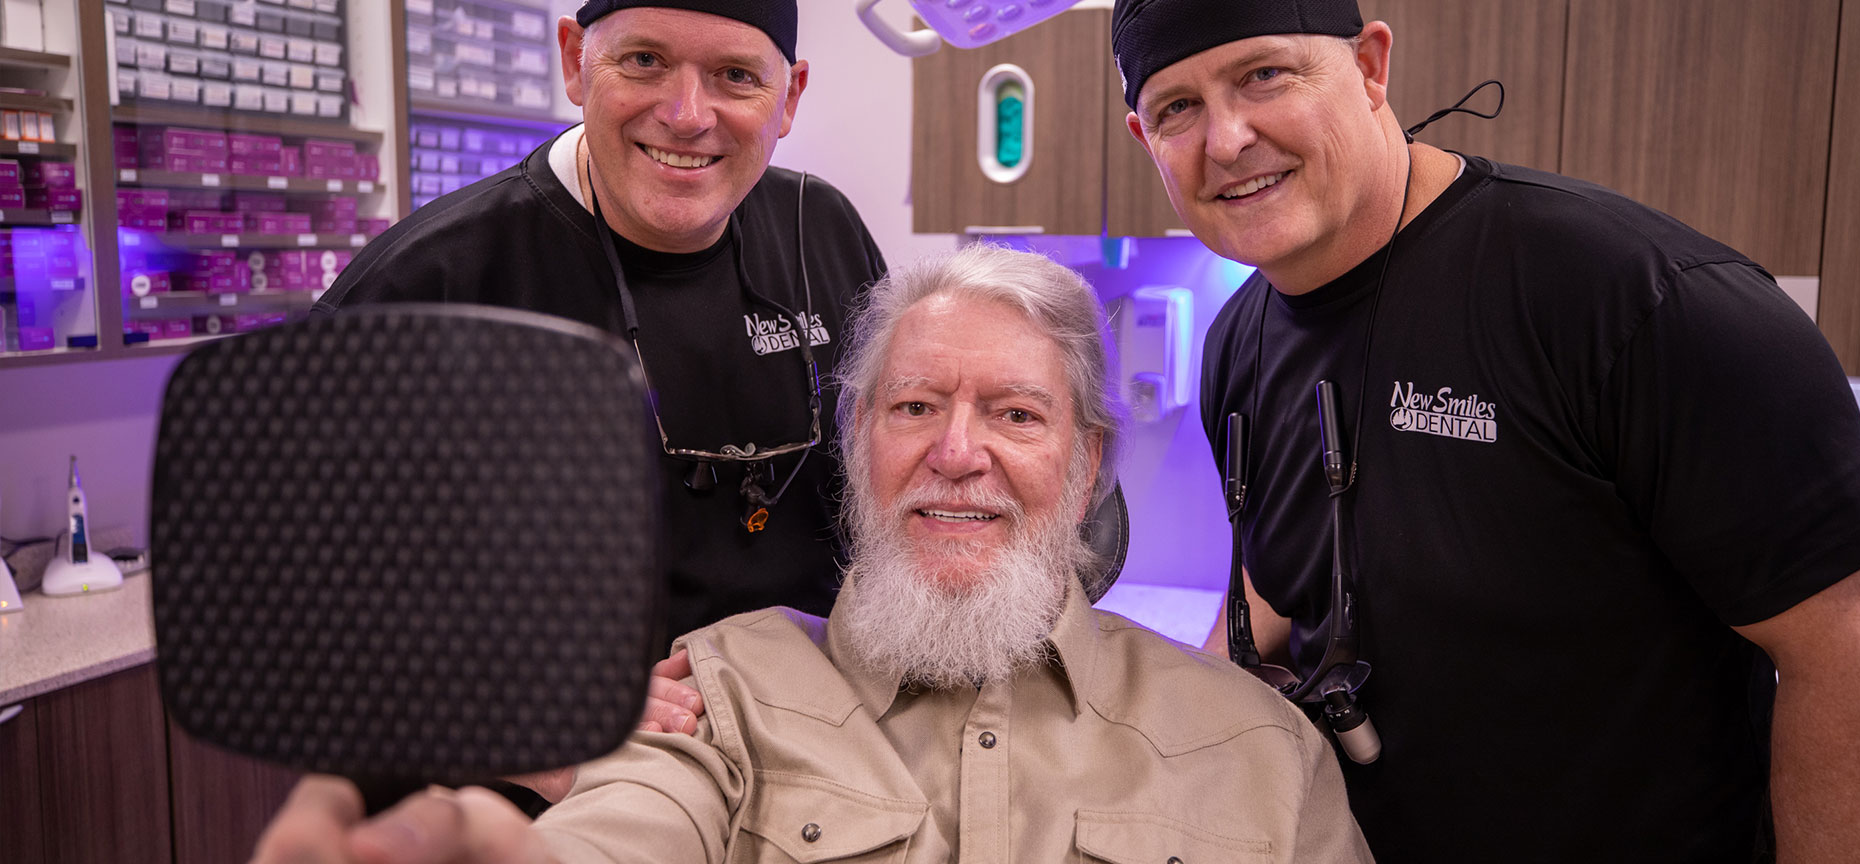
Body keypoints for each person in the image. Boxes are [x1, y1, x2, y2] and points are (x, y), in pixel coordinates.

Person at [1112, 0, 1860, 863]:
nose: (1227, 138)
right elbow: (1269, 606)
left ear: (1371, 65)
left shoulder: (1633, 304)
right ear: (1145, 139)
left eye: (1265, 75)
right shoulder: (1238, 344)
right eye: (1178, 107)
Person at [251, 244, 1377, 864]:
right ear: (855, 446)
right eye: (914, 405)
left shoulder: (1257, 753)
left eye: (1015, 416)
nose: (956, 451)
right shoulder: (723, 691)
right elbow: (631, 827)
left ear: (1084, 468)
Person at [317, 0, 887, 662]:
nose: (687, 114)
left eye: (735, 76)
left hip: (801, 736)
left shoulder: (825, 235)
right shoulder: (430, 284)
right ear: (574, 63)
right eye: (645, 61)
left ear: (789, 97)